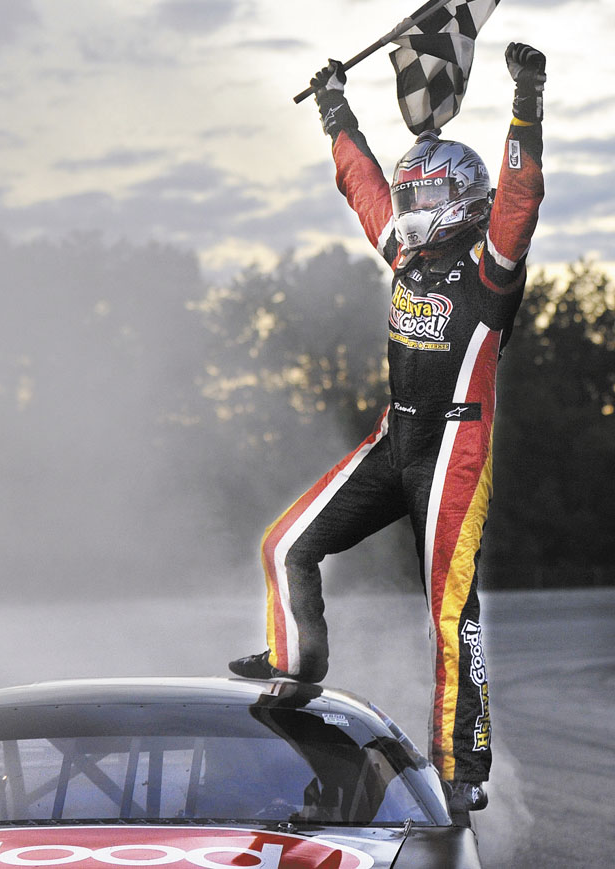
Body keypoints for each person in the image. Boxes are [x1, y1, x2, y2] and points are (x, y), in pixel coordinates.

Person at [229, 42, 546, 816]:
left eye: (427, 191)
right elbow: (361, 183)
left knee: (449, 612)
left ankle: (463, 766)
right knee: (284, 544)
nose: (407, 204)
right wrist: (334, 107)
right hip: (394, 439)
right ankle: (298, 660)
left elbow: (520, 198)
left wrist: (526, 99)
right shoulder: (405, 251)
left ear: (461, 197)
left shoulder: (490, 270)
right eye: (412, 191)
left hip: (455, 453)